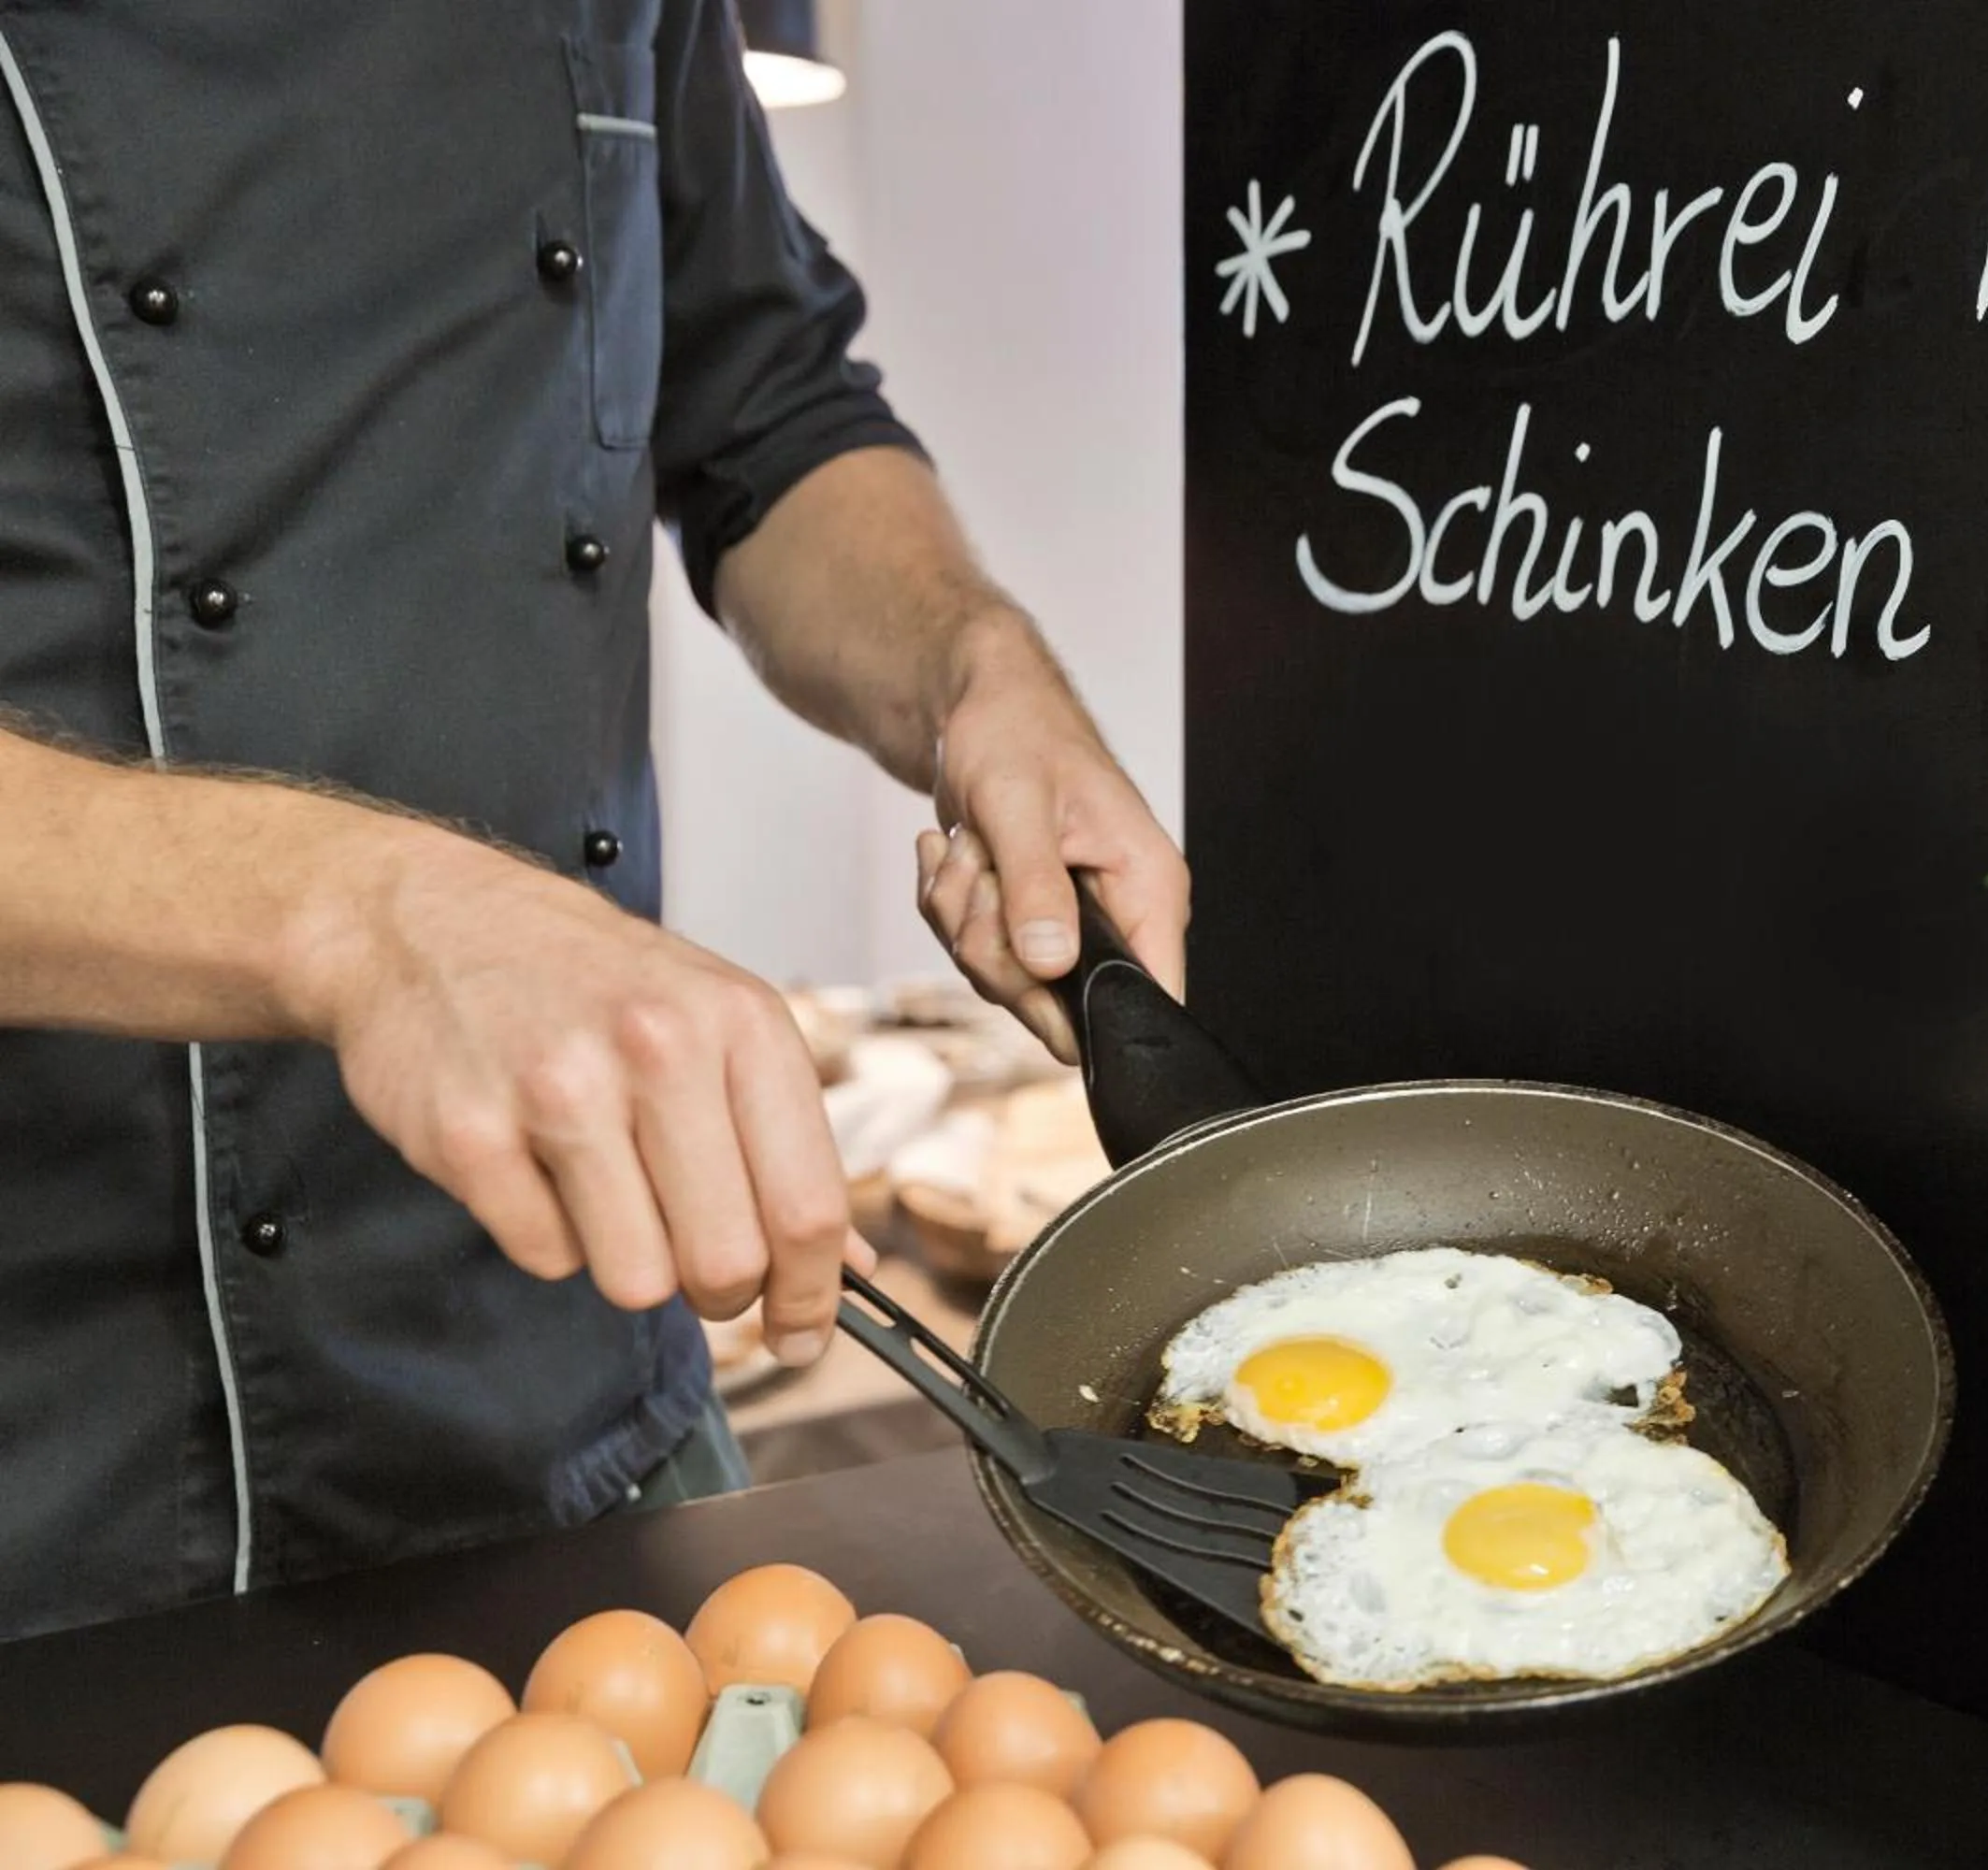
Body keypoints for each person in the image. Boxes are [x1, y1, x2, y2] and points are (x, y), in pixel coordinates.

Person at [0, 2, 1186, 1641]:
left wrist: (976, 676)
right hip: (64, 1468)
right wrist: (370, 923)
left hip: (576, 1366)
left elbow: (766, 402)